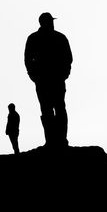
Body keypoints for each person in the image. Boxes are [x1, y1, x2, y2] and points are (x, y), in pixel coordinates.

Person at [24, 12, 72, 147]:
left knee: (57, 109)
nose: (52, 23)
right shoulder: (40, 38)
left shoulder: (56, 38)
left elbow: (68, 58)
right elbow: (28, 59)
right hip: (44, 79)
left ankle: (59, 141)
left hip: (53, 79)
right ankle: (53, 141)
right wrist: (33, 76)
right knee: (49, 110)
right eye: (50, 21)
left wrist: (64, 73)